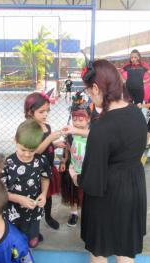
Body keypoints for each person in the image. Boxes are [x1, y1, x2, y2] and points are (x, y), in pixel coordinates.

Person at [66, 59, 147, 263]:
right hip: (133, 188)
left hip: (106, 194)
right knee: (125, 249)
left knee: (99, 250)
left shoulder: (103, 127)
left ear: (96, 87)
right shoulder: (137, 113)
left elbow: (92, 180)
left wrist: (75, 177)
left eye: (89, 91)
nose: (90, 96)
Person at [0, 119, 52, 248]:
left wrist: (44, 194)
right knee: (14, 241)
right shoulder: (7, 163)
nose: (27, 154)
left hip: (34, 208)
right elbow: (0, 191)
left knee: (32, 242)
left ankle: (32, 235)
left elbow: (45, 178)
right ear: (15, 141)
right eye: (23, 150)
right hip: (13, 210)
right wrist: (17, 198)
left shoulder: (41, 160)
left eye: (32, 150)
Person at [24, 92, 63, 230]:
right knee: (35, 196)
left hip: (48, 167)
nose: (45, 114)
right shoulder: (29, 129)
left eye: (47, 111)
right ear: (30, 112)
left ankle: (48, 216)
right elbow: (35, 151)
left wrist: (55, 144)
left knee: (48, 195)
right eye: (41, 112)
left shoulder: (46, 126)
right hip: (35, 169)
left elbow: (47, 146)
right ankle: (34, 224)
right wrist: (50, 139)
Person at [60, 92, 90, 227]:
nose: (77, 123)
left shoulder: (92, 134)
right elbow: (66, 149)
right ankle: (74, 213)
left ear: (88, 119)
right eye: (74, 119)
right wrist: (63, 161)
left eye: (81, 120)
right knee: (73, 193)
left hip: (88, 171)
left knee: (87, 194)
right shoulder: (70, 134)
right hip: (73, 169)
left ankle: (89, 214)